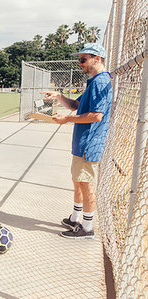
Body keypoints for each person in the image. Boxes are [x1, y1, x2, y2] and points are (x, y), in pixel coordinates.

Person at [41, 43, 113, 239]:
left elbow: (96, 115)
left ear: (97, 59)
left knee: (86, 183)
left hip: (89, 143)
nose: (79, 63)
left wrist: (67, 119)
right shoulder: (94, 81)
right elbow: (75, 105)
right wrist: (58, 96)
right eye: (79, 59)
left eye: (83, 59)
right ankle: (75, 218)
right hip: (82, 142)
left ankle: (87, 228)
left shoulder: (100, 82)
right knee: (79, 180)